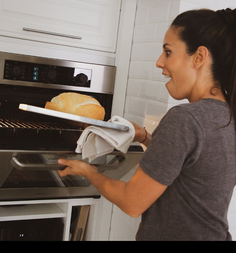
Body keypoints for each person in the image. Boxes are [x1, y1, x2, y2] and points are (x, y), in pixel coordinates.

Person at [58, 8, 236, 241]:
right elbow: (191, 171)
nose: (159, 62)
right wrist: (146, 138)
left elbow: (132, 203)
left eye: (168, 52)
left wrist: (88, 171)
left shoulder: (185, 119)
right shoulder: (228, 117)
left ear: (199, 57)